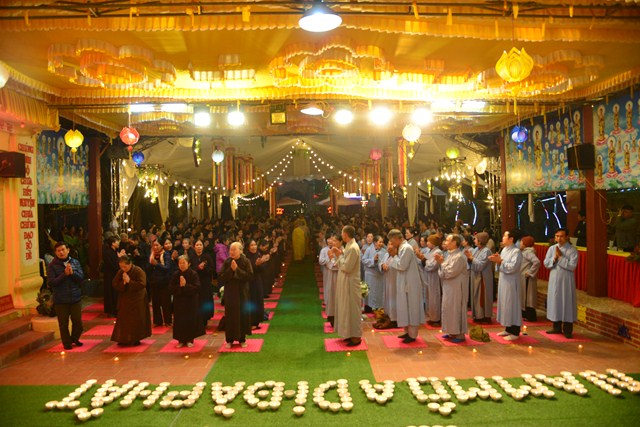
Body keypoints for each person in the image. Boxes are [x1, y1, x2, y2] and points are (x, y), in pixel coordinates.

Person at [385, 229, 425, 344]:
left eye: (392, 241)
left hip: (410, 284)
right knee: (405, 306)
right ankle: (407, 331)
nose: (392, 244)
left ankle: (412, 335)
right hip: (405, 282)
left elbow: (402, 266)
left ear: (397, 238)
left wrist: (394, 255)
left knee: (411, 307)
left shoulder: (406, 248)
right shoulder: (402, 248)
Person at [47, 242, 84, 350]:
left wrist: (72, 273)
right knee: (63, 324)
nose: (61, 252)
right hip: (60, 299)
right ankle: (66, 343)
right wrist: (64, 274)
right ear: (55, 252)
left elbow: (81, 278)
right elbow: (51, 282)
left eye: (63, 250)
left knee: (78, 323)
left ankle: (74, 338)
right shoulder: (52, 265)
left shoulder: (75, 262)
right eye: (58, 251)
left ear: (68, 250)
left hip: (75, 297)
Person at [543, 228, 579, 338]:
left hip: (566, 280)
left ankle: (567, 330)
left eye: (561, 236)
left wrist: (560, 257)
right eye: (557, 236)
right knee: (555, 302)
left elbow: (572, 266)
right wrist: (554, 258)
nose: (559, 238)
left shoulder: (572, 250)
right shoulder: (552, 249)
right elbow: (546, 263)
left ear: (567, 237)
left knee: (567, 302)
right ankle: (556, 327)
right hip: (554, 279)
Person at [489, 229, 523, 341]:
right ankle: (508, 328)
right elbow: (500, 265)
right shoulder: (504, 249)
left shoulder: (516, 252)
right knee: (505, 304)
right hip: (504, 280)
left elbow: (513, 267)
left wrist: (500, 261)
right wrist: (497, 260)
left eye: (505, 236)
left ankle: (515, 331)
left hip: (512, 282)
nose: (503, 237)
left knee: (512, 304)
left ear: (511, 239)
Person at [111, 255, 151, 346]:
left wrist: (129, 281)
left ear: (130, 264)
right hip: (125, 298)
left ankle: (135, 339)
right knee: (123, 318)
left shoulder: (138, 271)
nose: (123, 269)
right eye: (121, 267)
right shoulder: (121, 272)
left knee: (136, 318)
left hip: (138, 298)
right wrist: (124, 283)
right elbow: (114, 283)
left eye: (125, 266)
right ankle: (123, 338)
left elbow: (142, 284)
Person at [435, 234, 468, 343]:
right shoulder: (449, 255)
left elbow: (451, 272)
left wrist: (442, 263)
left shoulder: (459, 256)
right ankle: (451, 331)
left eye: (448, 240)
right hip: (448, 286)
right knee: (448, 307)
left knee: (455, 309)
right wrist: (441, 265)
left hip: (457, 287)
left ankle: (459, 334)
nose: (445, 242)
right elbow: (442, 273)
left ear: (454, 242)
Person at [219, 242, 253, 348]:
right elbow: (221, 277)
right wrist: (231, 270)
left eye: (234, 249)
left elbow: (250, 276)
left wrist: (237, 270)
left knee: (242, 315)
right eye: (231, 249)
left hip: (242, 292)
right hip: (230, 293)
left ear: (240, 251)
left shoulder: (246, 261)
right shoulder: (227, 261)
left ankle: (242, 339)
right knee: (230, 315)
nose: (232, 252)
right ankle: (229, 340)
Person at [333, 225, 362, 347]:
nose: (341, 235)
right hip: (346, 282)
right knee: (347, 308)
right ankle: (349, 333)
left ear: (345, 234)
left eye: (342, 233)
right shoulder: (349, 246)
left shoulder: (353, 247)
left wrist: (339, 255)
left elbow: (347, 267)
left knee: (352, 309)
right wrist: (341, 254)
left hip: (351, 283)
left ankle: (356, 336)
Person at [169, 255, 205, 348]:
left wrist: (186, 285)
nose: (181, 265)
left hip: (191, 301)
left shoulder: (193, 274)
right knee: (179, 320)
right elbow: (171, 288)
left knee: (190, 320)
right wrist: (180, 287)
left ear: (188, 264)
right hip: (179, 301)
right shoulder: (176, 274)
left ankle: (190, 339)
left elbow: (197, 287)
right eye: (180, 263)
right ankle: (180, 340)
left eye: (183, 263)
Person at [466, 232, 494, 324]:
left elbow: (481, 265)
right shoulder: (476, 249)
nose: (474, 240)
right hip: (475, 276)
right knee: (475, 296)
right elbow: (471, 260)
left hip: (483, 278)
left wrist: (471, 258)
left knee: (482, 297)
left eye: (476, 239)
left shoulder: (486, 251)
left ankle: (484, 316)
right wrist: (468, 258)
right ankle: (477, 315)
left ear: (480, 240)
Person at [148, 239, 174, 327]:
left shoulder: (166, 254)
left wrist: (156, 264)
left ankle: (168, 321)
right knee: (155, 303)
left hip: (164, 282)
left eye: (157, 245)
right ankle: (157, 321)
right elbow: (147, 268)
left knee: (165, 302)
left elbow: (167, 268)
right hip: (154, 282)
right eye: (154, 245)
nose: (155, 247)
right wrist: (151, 264)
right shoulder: (151, 255)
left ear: (161, 246)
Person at [192, 240, 215, 328]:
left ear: (203, 246)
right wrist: (198, 268)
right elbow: (189, 268)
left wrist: (204, 268)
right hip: (195, 282)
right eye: (197, 245)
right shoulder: (191, 257)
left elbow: (212, 269)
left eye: (200, 245)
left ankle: (205, 319)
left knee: (205, 300)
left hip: (205, 282)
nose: (199, 246)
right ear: (194, 247)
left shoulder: (207, 257)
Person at [318, 232, 339, 327]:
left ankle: (335, 314)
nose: (331, 241)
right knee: (328, 288)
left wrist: (332, 259)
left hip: (337, 272)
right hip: (327, 271)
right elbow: (321, 261)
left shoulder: (338, 250)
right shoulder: (324, 250)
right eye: (329, 239)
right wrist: (329, 260)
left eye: (333, 239)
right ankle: (328, 307)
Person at [422, 235, 443, 326]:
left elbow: (432, 265)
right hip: (428, 277)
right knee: (429, 297)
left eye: (429, 241)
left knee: (434, 297)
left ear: (434, 243)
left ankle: (436, 318)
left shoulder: (438, 252)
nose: (427, 243)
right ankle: (431, 317)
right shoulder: (430, 251)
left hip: (434, 277)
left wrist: (424, 260)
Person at [245, 239, 265, 329]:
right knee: (252, 300)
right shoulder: (246, 257)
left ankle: (257, 321)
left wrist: (261, 264)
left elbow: (263, 269)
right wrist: (255, 265)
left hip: (258, 280)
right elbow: (248, 270)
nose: (254, 247)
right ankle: (251, 322)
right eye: (252, 245)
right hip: (250, 282)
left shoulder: (258, 254)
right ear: (248, 247)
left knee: (258, 299)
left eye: (255, 245)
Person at [362, 235, 386, 311]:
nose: (381, 244)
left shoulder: (384, 251)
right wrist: (373, 260)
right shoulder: (369, 249)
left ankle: (377, 307)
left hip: (379, 274)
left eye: (382, 242)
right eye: (380, 242)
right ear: (375, 242)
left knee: (378, 291)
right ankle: (367, 307)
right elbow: (364, 260)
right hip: (370, 274)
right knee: (370, 292)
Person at [520, 236, 541, 322]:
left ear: (525, 244)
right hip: (524, 278)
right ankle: (525, 314)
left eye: (521, 242)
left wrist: (529, 272)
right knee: (524, 297)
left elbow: (537, 262)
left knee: (528, 297)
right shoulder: (525, 252)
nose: (520, 244)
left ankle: (530, 315)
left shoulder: (528, 252)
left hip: (527, 278)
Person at [103, 235, 125, 317]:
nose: (118, 243)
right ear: (112, 243)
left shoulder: (114, 251)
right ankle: (111, 310)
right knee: (111, 292)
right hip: (110, 275)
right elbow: (113, 265)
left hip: (114, 275)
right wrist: (119, 257)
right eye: (117, 242)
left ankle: (115, 309)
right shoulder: (108, 252)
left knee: (115, 293)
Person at [378, 242, 398, 329]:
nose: (389, 246)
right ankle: (387, 316)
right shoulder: (386, 255)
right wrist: (382, 265)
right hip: (387, 280)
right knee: (387, 298)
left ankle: (394, 318)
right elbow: (380, 263)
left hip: (394, 281)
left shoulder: (397, 256)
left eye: (391, 244)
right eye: (389, 244)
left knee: (393, 299)